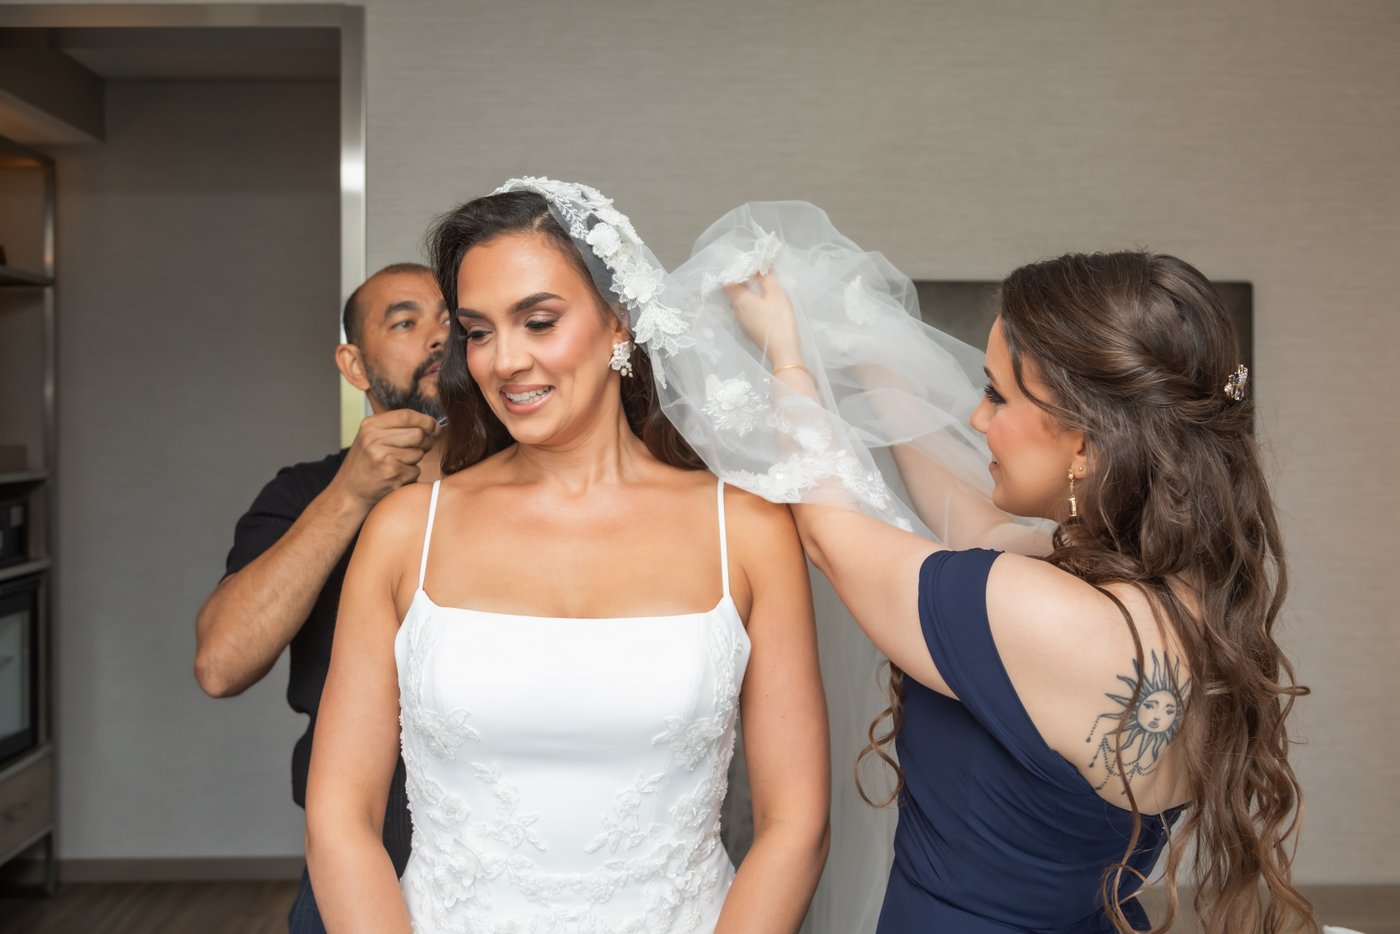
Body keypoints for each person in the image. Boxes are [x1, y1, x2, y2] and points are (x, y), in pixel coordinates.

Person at [715, 246, 1315, 933]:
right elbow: (974, 521)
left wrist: (787, 357)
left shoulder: (1033, 610)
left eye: (997, 395)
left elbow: (828, 533)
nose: (975, 420)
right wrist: (869, 357)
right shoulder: (1183, 596)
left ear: (1087, 444)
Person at [304, 182, 830, 933]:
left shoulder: (743, 529)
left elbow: (797, 823)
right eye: (478, 332)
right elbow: (339, 818)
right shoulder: (404, 532)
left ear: (618, 322)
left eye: (539, 322)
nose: (504, 361)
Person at [195, 263, 449, 933]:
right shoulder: (302, 494)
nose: (438, 338)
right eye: (406, 321)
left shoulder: (533, 495)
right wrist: (349, 495)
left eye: (455, 322)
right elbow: (222, 665)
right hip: (357, 844)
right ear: (354, 363)